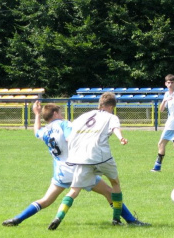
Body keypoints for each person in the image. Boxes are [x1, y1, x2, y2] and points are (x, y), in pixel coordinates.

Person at [2, 101, 149, 227]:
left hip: (60, 172)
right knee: (109, 192)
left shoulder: (45, 131)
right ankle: (130, 220)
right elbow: (69, 138)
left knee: (45, 200)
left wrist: (36, 114)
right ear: (54, 113)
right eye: (59, 112)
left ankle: (17, 219)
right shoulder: (64, 124)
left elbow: (36, 132)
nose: (62, 115)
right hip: (77, 167)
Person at [47, 92, 130, 230]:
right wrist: (121, 138)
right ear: (111, 106)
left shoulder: (85, 115)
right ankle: (116, 219)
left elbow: (71, 131)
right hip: (100, 155)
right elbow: (115, 128)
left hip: (81, 156)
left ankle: (58, 217)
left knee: (74, 190)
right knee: (115, 182)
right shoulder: (111, 116)